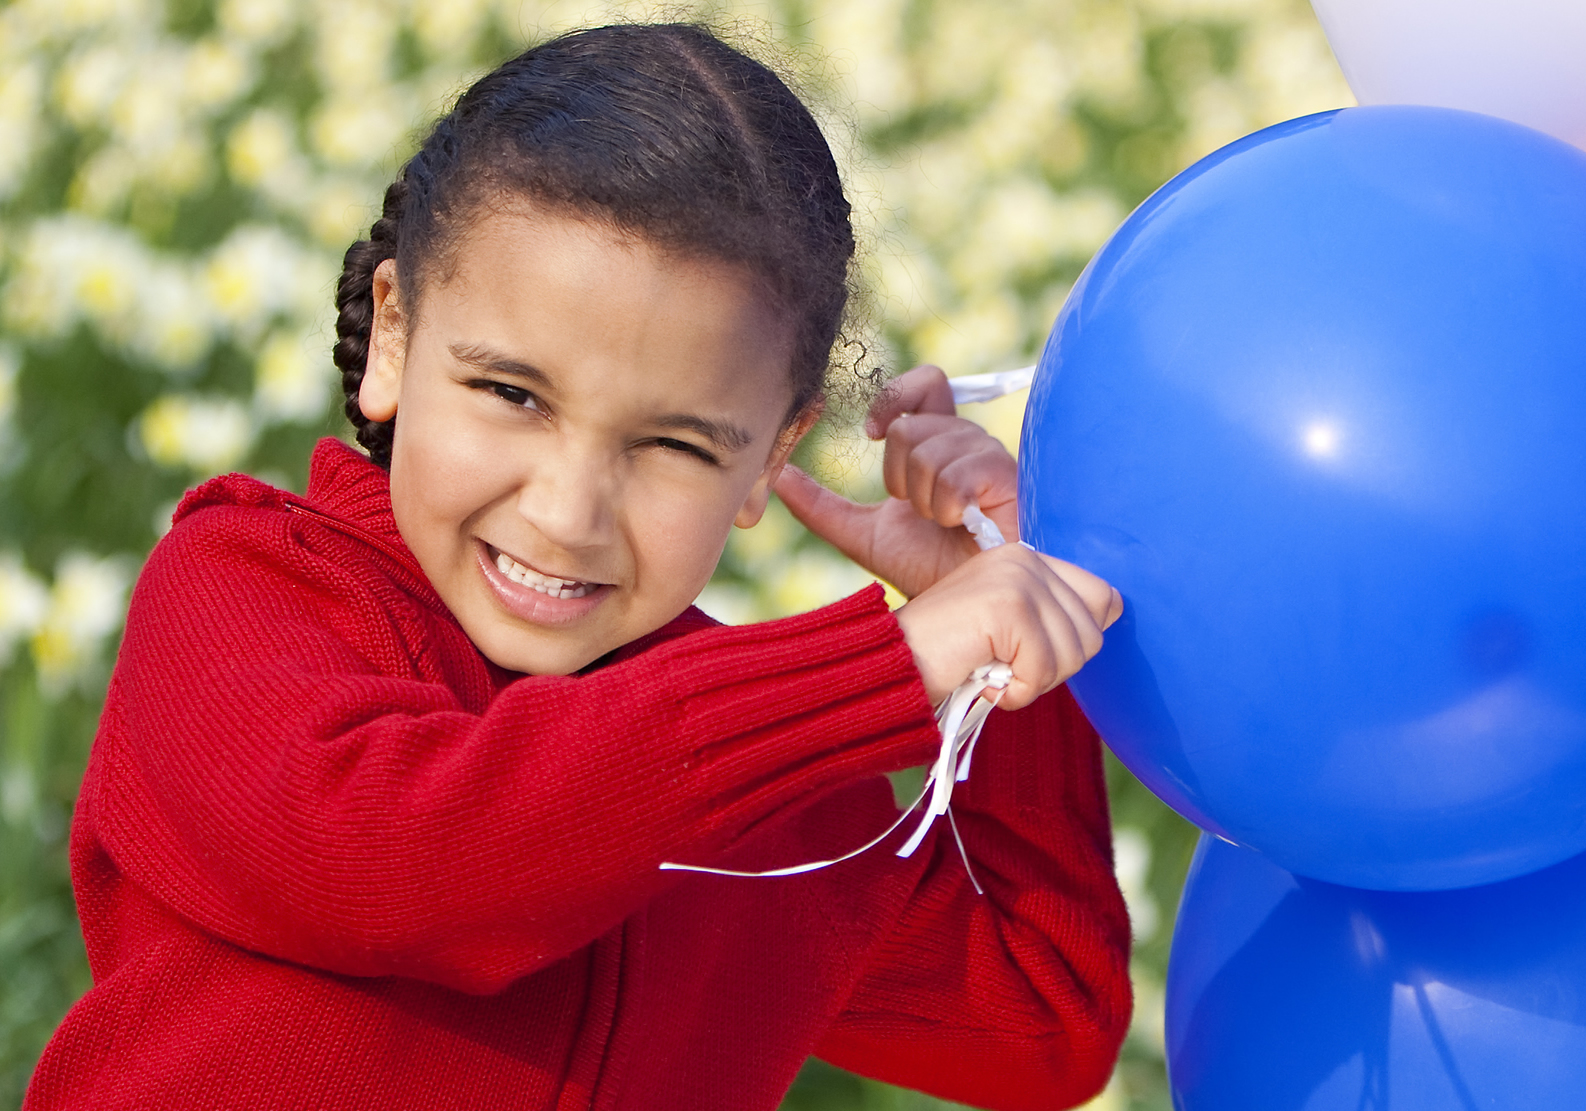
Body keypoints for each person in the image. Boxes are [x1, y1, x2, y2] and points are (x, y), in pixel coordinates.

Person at [28, 24, 1129, 1111]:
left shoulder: (777, 790)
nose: (566, 513)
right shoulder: (240, 589)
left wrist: (994, 605)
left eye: (674, 445)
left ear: (768, 458)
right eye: (513, 394)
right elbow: (402, 869)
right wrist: (885, 664)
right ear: (397, 335)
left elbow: (1041, 1023)